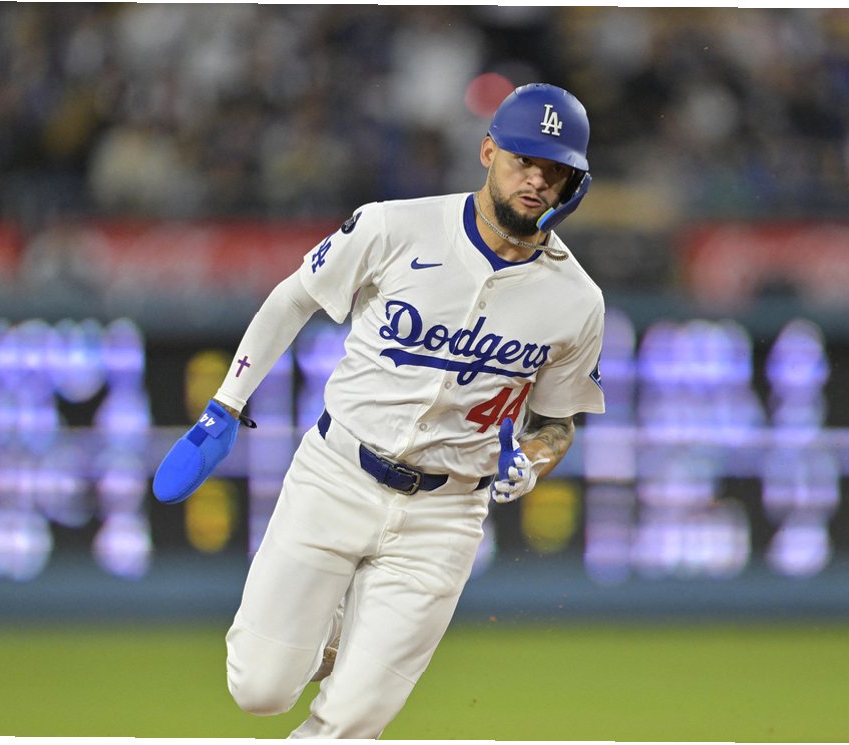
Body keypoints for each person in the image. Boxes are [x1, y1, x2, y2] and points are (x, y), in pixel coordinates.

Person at [153, 83, 605, 739]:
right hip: (337, 473)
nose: (536, 179)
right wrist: (226, 404)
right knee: (259, 688)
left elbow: (557, 421)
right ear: (488, 152)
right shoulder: (396, 225)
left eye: (554, 169)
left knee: (352, 723)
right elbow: (295, 297)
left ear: (573, 181)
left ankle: (353, 644)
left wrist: (533, 463)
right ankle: (336, 631)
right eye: (523, 160)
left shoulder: (577, 300)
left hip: (446, 512)